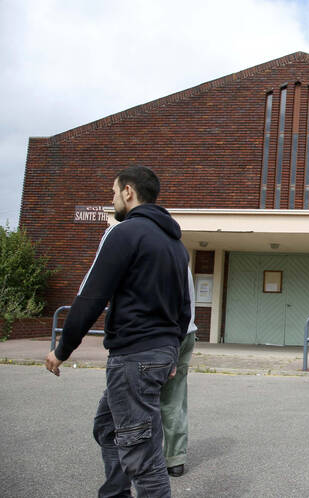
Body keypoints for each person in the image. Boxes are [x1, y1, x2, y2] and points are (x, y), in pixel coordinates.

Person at [45, 165, 191, 497]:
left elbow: (92, 296)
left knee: (143, 457)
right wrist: (171, 357)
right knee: (108, 427)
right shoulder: (176, 247)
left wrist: (61, 349)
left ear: (128, 191)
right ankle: (114, 493)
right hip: (158, 352)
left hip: (134, 357)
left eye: (113, 192)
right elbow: (184, 309)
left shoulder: (124, 233)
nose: (112, 199)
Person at [160, 267, 198, 478]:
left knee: (143, 397)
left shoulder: (156, 252)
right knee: (174, 399)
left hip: (165, 335)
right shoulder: (180, 256)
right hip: (186, 332)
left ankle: (146, 457)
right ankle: (175, 459)